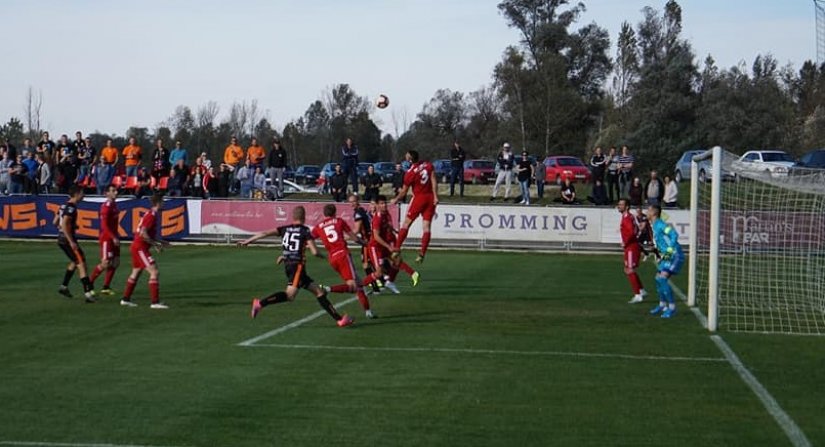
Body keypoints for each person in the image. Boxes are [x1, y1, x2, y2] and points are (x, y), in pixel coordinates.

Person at [241, 206, 354, 327]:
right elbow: (314, 251)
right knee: (290, 296)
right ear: (304, 217)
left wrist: (248, 241)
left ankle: (340, 319)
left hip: (290, 265)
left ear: (293, 217)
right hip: (297, 267)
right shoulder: (305, 230)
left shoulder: (284, 228)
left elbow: (264, 233)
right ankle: (260, 303)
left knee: (319, 292)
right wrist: (323, 256)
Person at [311, 204, 375, 319]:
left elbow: (308, 238)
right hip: (343, 255)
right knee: (353, 286)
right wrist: (366, 244)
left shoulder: (318, 226)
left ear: (324, 214)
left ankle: (368, 311)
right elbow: (354, 238)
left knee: (359, 284)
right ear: (335, 212)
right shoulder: (339, 221)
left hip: (332, 259)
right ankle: (327, 289)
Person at [120, 193, 170, 309]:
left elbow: (147, 233)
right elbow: (143, 234)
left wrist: (161, 242)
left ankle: (125, 299)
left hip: (137, 246)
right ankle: (154, 302)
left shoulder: (151, 214)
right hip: (140, 247)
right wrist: (155, 244)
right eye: (163, 202)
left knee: (136, 272)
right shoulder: (151, 215)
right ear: (158, 203)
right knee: (154, 272)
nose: (164, 204)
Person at [391, 150, 439, 264]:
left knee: (406, 223)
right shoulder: (428, 165)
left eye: (407, 156)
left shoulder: (410, 173)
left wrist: (395, 199)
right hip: (430, 198)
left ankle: (397, 249)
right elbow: (433, 180)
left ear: (410, 159)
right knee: (426, 227)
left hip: (419, 199)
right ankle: (422, 253)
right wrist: (436, 196)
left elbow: (404, 192)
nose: (405, 157)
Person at [370, 195, 420, 293]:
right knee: (378, 272)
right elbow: (376, 236)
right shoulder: (377, 218)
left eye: (385, 203)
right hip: (376, 247)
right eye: (381, 203)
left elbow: (388, 226)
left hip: (384, 245)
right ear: (377, 205)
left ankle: (389, 281)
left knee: (397, 260)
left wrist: (395, 232)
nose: (384, 205)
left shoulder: (386, 214)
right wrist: (389, 245)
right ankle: (361, 284)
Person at [55, 185, 96, 302]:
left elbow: (55, 221)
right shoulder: (71, 208)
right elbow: (64, 224)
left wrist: (71, 226)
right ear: (77, 194)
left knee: (75, 261)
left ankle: (64, 287)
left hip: (61, 239)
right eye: (82, 193)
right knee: (81, 263)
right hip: (67, 240)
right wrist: (71, 240)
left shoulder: (63, 205)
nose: (84, 195)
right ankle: (88, 293)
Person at [647, 204, 684, 319]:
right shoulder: (654, 225)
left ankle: (672, 308)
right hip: (668, 255)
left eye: (648, 210)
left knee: (662, 278)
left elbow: (674, 234)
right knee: (657, 279)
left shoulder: (661, 224)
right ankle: (662, 305)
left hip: (674, 254)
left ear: (654, 212)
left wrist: (668, 250)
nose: (646, 212)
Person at [89, 185, 121, 295]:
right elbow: (104, 226)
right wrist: (113, 237)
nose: (116, 192)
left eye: (116, 190)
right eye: (113, 191)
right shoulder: (106, 207)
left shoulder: (114, 205)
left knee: (116, 262)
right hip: (107, 238)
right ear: (106, 193)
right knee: (106, 263)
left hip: (114, 237)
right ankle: (89, 284)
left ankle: (106, 287)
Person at [349, 194, 382, 294]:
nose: (352, 204)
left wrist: (343, 236)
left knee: (366, 265)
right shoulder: (362, 211)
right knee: (370, 264)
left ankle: (377, 286)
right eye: (350, 202)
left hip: (367, 241)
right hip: (368, 240)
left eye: (354, 201)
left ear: (358, 201)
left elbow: (356, 230)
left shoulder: (359, 213)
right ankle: (379, 283)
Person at [617, 199, 647, 304]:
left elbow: (632, 232)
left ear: (627, 207)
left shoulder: (627, 218)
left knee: (629, 270)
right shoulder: (628, 217)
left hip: (631, 247)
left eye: (621, 205)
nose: (619, 206)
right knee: (628, 269)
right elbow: (636, 230)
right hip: (630, 246)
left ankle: (638, 295)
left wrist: (625, 242)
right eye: (619, 204)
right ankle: (641, 291)